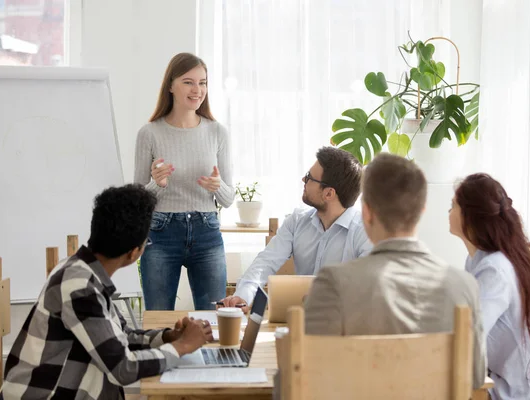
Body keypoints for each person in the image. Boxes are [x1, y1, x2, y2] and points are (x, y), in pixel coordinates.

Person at [0, 184, 214, 400]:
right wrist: (183, 346)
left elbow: (122, 337)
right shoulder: (80, 287)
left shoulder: (83, 272)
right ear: (134, 253)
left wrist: (168, 337)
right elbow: (123, 369)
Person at [303, 153, 486, 390]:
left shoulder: (334, 283)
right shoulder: (464, 286)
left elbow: (302, 379)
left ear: (367, 213)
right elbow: (476, 378)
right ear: (421, 211)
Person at [449, 173, 530, 399]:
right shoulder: (477, 261)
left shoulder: (495, 269)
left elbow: (470, 334)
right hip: (512, 379)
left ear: (471, 217)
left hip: (528, 391)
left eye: (453, 205)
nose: (449, 212)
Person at [134, 52, 234, 311]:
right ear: (171, 85)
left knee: (214, 320)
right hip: (161, 233)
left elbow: (228, 198)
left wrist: (217, 186)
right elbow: (136, 201)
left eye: (202, 82)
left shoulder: (217, 132)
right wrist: (157, 184)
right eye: (188, 82)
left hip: (207, 231)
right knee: (158, 320)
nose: (197, 90)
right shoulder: (149, 133)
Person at [221, 146, 372, 310]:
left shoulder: (364, 232)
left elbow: (370, 290)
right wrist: (243, 295)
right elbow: (266, 262)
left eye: (309, 178)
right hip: (297, 320)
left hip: (344, 325)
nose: (303, 180)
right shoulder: (297, 220)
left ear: (328, 194)